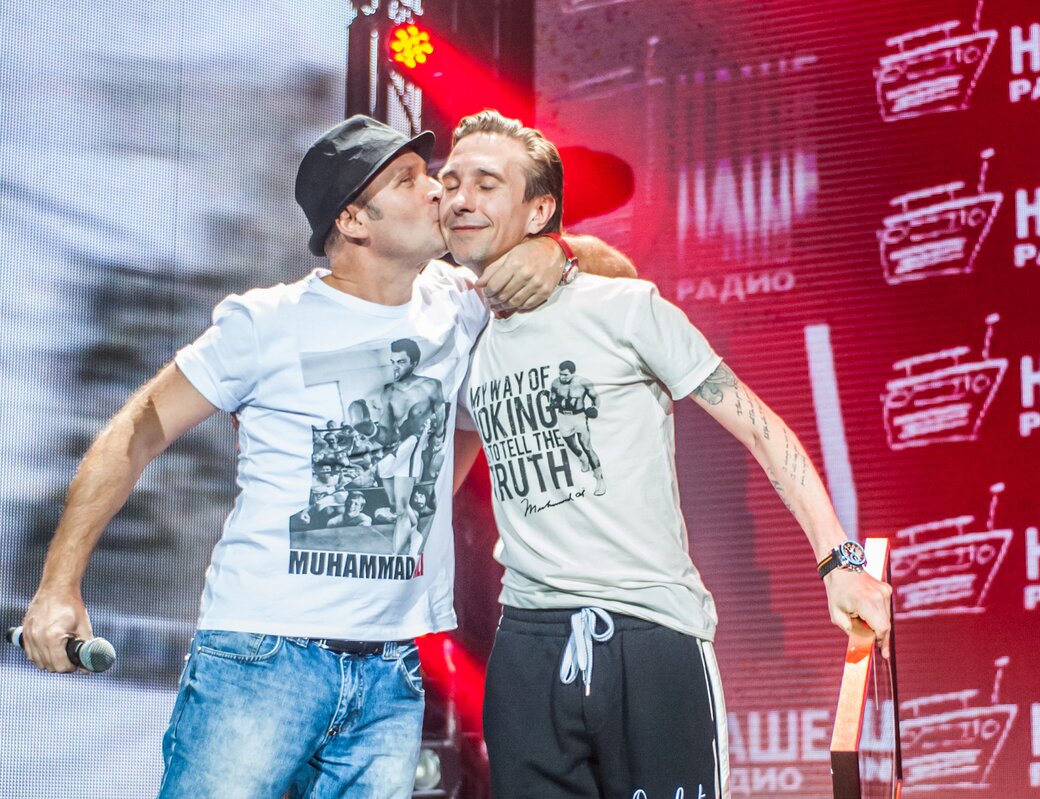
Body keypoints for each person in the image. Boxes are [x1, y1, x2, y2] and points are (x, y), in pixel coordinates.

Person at [18, 114, 631, 798]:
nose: (437, 191)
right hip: (263, 658)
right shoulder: (267, 322)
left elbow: (619, 276)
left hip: (391, 671)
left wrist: (553, 252)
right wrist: (58, 585)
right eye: (409, 180)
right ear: (354, 220)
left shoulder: (458, 305)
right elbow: (137, 430)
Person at [439, 110, 894, 799]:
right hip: (527, 648)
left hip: (648, 632)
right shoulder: (461, 336)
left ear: (539, 211)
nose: (461, 198)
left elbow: (760, 428)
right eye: (450, 182)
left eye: (486, 183)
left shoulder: (624, 308)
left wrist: (838, 560)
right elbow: (435, 487)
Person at [549, 359, 605, 495]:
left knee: (587, 446)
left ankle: (599, 479)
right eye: (560, 374)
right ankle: (582, 458)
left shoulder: (583, 382)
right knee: (571, 444)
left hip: (579, 416)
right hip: (563, 417)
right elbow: (553, 398)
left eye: (565, 374)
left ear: (573, 373)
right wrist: (554, 402)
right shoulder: (555, 383)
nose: (562, 377)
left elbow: (595, 397)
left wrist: (594, 408)